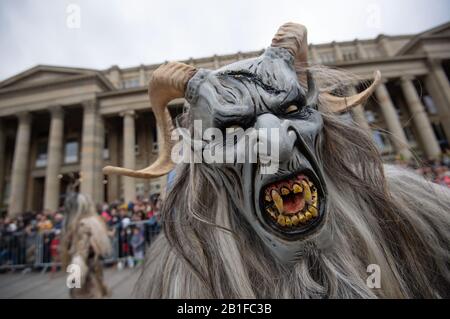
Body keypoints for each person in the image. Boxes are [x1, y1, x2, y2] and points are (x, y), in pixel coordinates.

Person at [60, 179, 112, 299]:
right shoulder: (93, 223)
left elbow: (80, 254)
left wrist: (74, 281)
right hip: (93, 269)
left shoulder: (82, 225)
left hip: (85, 274)